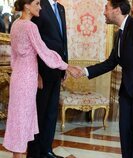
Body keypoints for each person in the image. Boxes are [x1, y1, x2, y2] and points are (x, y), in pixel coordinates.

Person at [75, 0, 133, 158]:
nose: (104, 12)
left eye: (106, 8)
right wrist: (84, 71)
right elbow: (111, 62)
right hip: (128, 89)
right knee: (125, 131)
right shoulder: (119, 32)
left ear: (117, 10)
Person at [2, 0, 77, 158]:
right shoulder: (30, 27)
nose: (40, 7)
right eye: (36, 3)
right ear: (27, 6)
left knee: (19, 120)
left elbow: (13, 58)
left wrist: (20, 72)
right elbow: (45, 53)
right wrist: (67, 66)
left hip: (17, 78)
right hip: (28, 78)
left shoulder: (15, 24)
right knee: (24, 121)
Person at [27, 0, 69, 158]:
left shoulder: (61, 8)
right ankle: (34, 153)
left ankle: (46, 150)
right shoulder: (38, 5)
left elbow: (63, 41)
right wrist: (36, 72)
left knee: (51, 112)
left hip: (57, 68)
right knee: (39, 112)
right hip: (42, 71)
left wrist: (65, 65)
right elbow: (33, 42)